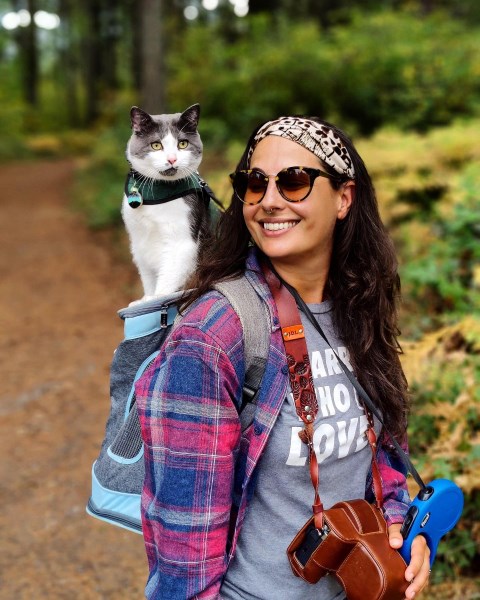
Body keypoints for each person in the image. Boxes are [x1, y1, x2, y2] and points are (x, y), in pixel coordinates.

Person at [135, 115, 431, 600]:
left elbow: (383, 454)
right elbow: (184, 537)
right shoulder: (215, 335)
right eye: (254, 183)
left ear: (344, 197)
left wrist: (401, 533)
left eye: (294, 181)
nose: (269, 200)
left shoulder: (360, 304)